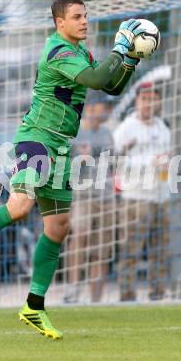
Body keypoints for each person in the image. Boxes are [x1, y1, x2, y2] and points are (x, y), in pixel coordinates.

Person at [0, 0, 149, 339]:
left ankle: (34, 305)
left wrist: (130, 61)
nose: (84, 21)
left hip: (60, 147)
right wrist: (121, 46)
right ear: (59, 23)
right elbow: (95, 80)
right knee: (19, 205)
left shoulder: (81, 53)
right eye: (77, 16)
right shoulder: (58, 50)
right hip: (37, 138)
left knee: (58, 227)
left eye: (86, 16)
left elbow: (110, 86)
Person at [113, 82, 171, 301]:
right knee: (131, 249)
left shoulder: (162, 127)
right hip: (135, 197)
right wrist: (150, 162)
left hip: (160, 195)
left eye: (153, 98)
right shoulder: (125, 128)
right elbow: (117, 163)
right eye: (145, 99)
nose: (149, 103)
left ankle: (158, 293)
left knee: (160, 249)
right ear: (137, 101)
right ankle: (127, 295)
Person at [64, 95, 116, 303]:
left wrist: (93, 153)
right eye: (105, 106)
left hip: (105, 195)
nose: (108, 111)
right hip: (81, 195)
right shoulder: (74, 130)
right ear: (93, 107)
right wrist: (78, 155)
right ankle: (73, 288)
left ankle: (96, 297)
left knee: (102, 247)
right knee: (80, 237)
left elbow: (113, 160)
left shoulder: (107, 133)